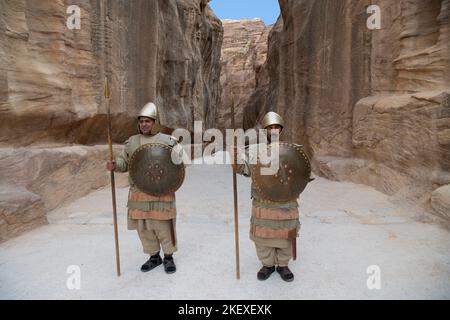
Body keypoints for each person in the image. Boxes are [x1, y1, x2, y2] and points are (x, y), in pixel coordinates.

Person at [106, 102, 181, 274]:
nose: (144, 124)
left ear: (155, 122)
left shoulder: (168, 141)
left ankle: (168, 257)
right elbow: (125, 163)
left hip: (161, 190)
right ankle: (154, 256)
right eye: (141, 121)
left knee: (164, 225)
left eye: (147, 121)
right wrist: (114, 165)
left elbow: (178, 165)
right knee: (144, 226)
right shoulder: (132, 142)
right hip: (139, 192)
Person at [235, 111, 300, 282]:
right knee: (263, 234)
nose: (273, 131)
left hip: (285, 201)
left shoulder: (292, 150)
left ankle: (283, 265)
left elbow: (300, 174)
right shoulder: (255, 150)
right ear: (265, 131)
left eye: (276, 127)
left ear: (281, 129)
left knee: (285, 233)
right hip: (263, 202)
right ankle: (267, 265)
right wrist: (236, 157)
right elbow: (243, 170)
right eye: (270, 128)